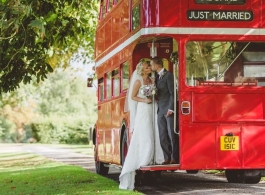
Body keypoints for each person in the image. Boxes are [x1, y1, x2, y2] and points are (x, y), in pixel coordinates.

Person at [119, 60, 163, 190]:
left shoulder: (152, 80)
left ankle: (155, 156)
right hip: (144, 108)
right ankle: (144, 158)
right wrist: (144, 99)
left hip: (153, 108)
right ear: (142, 70)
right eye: (147, 66)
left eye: (149, 66)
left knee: (154, 130)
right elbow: (132, 97)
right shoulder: (138, 81)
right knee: (145, 133)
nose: (149, 67)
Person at [150, 57, 179, 165]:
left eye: (152, 64)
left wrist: (171, 108)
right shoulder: (157, 77)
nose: (151, 67)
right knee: (162, 135)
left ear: (157, 65)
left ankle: (174, 157)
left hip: (168, 109)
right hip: (160, 109)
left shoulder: (169, 76)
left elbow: (173, 93)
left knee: (172, 134)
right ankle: (166, 157)